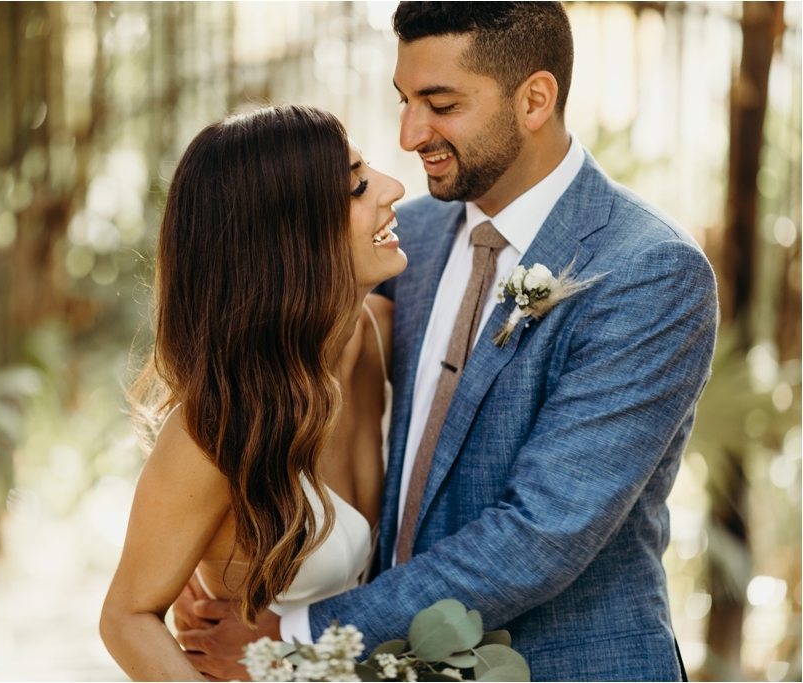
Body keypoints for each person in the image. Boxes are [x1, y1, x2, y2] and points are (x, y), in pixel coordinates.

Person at [174, 3, 718, 681]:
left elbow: (538, 535)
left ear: (535, 99)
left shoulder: (648, 269)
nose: (409, 133)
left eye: (440, 104)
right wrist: (203, 547)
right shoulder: (413, 240)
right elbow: (276, 348)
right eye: (404, 100)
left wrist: (292, 637)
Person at [98, 104, 407, 681]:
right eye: (358, 185)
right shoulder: (214, 431)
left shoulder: (376, 332)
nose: (394, 187)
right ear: (291, 238)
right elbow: (125, 617)